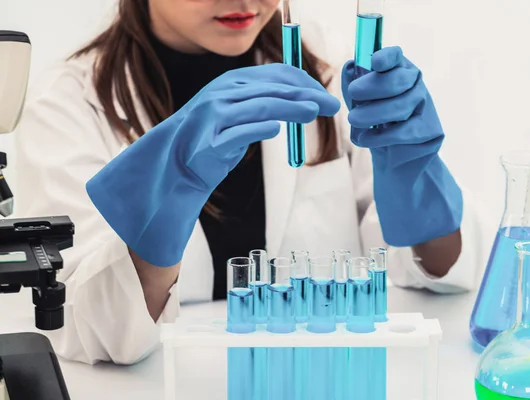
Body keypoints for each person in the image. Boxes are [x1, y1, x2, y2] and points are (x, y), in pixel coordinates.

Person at [14, 0, 492, 365]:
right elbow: (91, 330)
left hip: (326, 374)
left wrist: (415, 176)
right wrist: (158, 217)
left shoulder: (331, 68)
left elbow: (437, 278)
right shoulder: (66, 106)